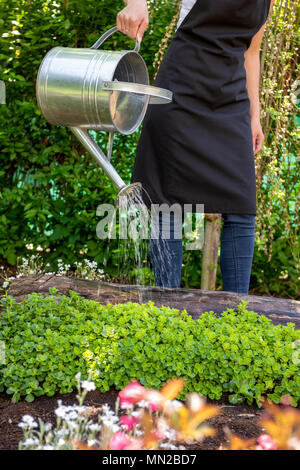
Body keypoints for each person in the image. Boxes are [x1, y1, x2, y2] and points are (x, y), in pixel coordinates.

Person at [116, 0, 274, 293]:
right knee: (167, 201)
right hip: (181, 91)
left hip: (231, 99)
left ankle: (239, 316)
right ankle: (167, 308)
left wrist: (255, 116)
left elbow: (251, 52)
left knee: (241, 206)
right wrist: (136, 2)